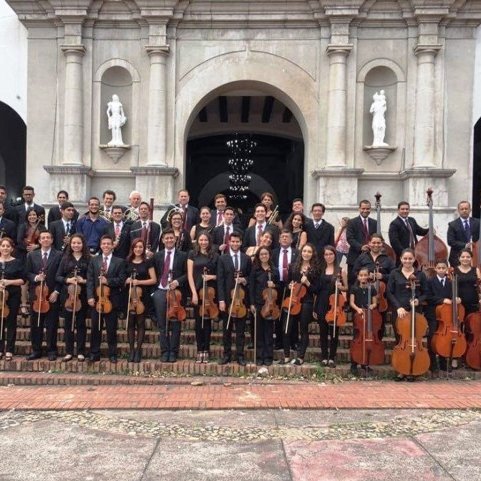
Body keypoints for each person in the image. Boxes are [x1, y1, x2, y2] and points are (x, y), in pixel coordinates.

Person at [387, 248, 428, 380]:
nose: (407, 261)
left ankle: (414, 368)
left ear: (414, 259)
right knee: (400, 340)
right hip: (400, 312)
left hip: (415, 312)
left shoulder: (420, 275)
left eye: (410, 258)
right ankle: (401, 369)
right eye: (405, 258)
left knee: (415, 339)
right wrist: (398, 307)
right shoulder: (394, 273)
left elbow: (426, 293)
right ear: (401, 259)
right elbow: (389, 292)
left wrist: (418, 300)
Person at [87, 235, 127, 362]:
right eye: (103, 243)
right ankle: (94, 353)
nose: (106, 246)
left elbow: (121, 280)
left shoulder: (119, 261)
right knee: (95, 328)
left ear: (112, 245)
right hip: (97, 300)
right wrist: (90, 297)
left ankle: (112, 354)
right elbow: (90, 281)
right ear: (100, 245)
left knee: (111, 328)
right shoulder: (94, 261)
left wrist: (107, 281)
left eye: (108, 244)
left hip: (112, 301)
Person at [25, 231, 62, 361]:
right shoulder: (31, 255)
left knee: (52, 324)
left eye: (48, 238)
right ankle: (36, 350)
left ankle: (52, 350)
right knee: (36, 324)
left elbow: (61, 274)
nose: (45, 240)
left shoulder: (59, 255)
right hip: (37, 295)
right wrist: (36, 277)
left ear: (52, 240)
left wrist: (56, 291)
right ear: (39, 241)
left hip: (52, 295)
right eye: (43, 238)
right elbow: (27, 273)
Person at [152, 229, 188, 363]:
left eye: (171, 238)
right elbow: (154, 274)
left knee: (176, 323)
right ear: (162, 240)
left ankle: (173, 352)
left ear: (175, 239)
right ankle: (164, 351)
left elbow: (187, 274)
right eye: (166, 238)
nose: (169, 240)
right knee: (162, 324)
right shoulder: (157, 256)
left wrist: (178, 281)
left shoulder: (183, 255)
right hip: (161, 291)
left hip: (176, 292)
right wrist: (154, 292)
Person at [282, 243, 320, 365]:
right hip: (293, 300)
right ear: (301, 252)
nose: (306, 253)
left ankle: (300, 357)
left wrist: (307, 282)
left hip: (306, 302)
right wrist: (289, 286)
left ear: (312, 254)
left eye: (309, 251)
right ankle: (286, 355)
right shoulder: (293, 266)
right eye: (304, 251)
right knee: (287, 328)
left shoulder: (315, 270)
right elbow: (288, 284)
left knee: (303, 329)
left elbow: (316, 290)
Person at [217, 232, 251, 366]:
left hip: (241, 300)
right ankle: (226, 355)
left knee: (241, 331)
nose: (235, 244)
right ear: (229, 242)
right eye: (233, 241)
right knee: (227, 329)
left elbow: (250, 277)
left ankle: (240, 356)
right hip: (227, 299)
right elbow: (220, 280)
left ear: (241, 242)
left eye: (238, 241)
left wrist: (244, 280)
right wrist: (221, 300)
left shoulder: (246, 258)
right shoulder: (223, 259)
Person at [55, 233, 90, 362]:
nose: (76, 245)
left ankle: (80, 352)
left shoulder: (88, 259)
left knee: (81, 324)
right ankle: (69, 351)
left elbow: (92, 277)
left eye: (79, 243)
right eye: (74, 243)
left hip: (82, 295)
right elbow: (57, 276)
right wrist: (68, 279)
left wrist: (84, 280)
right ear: (70, 244)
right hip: (68, 295)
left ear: (83, 244)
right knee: (68, 324)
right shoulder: (65, 258)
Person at [313, 245, 347, 367]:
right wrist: (315, 307)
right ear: (324, 256)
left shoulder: (341, 270)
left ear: (335, 255)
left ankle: (331, 357)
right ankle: (324, 357)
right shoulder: (320, 270)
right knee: (323, 331)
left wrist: (340, 286)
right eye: (326, 254)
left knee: (334, 331)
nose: (328, 256)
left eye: (331, 254)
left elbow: (346, 288)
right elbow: (316, 290)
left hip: (335, 303)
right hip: (322, 302)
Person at [187, 232, 219, 363]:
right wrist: (193, 293)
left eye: (205, 240)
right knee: (198, 322)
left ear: (209, 241)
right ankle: (200, 349)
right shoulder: (192, 254)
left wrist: (212, 277)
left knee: (207, 323)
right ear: (197, 241)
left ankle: (206, 350)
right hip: (197, 292)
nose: (203, 242)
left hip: (210, 293)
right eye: (201, 240)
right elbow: (190, 275)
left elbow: (219, 275)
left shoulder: (215, 256)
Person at [125, 238, 157, 363]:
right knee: (130, 324)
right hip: (129, 297)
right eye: (136, 247)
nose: (138, 249)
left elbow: (153, 280)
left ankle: (138, 351)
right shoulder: (127, 261)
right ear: (132, 248)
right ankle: (131, 350)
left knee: (140, 323)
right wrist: (127, 280)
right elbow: (123, 277)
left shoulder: (147, 262)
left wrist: (138, 282)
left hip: (142, 297)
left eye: (140, 247)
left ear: (143, 249)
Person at [425, 259, 456, 375]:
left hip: (446, 316)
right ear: (436, 269)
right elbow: (428, 297)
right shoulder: (430, 281)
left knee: (445, 340)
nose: (442, 270)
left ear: (447, 269)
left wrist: (455, 299)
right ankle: (432, 365)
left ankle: (444, 364)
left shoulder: (450, 282)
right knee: (432, 338)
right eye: (439, 268)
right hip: (433, 314)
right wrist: (442, 300)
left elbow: (454, 296)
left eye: (444, 268)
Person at [249, 246, 279, 366]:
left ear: (269, 255)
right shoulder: (255, 270)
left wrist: (274, 285)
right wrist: (251, 303)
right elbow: (251, 287)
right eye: (261, 254)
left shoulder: (274, 270)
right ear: (258, 256)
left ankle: (268, 356)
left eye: (266, 254)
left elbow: (280, 287)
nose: (264, 256)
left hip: (270, 306)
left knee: (269, 331)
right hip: (258, 304)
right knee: (259, 331)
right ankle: (259, 356)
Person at [272, 229, 299, 351]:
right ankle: (279, 341)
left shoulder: (297, 253)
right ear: (279, 239)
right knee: (278, 314)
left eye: (287, 237)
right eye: (282, 236)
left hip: (292, 287)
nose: (284, 239)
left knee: (292, 313)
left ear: (291, 240)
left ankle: (293, 341)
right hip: (277, 286)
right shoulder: (273, 253)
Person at [455, 248, 481, 369]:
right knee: (459, 331)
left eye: (468, 257)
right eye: (463, 257)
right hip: (459, 306)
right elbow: (450, 287)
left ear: (471, 258)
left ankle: (470, 357)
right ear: (459, 258)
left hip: (473, 304)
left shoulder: (476, 270)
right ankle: (457, 356)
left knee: (471, 332)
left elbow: (480, 285)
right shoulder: (454, 271)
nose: (465, 259)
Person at [349, 267, 378, 375]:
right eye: (361, 275)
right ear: (358, 277)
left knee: (367, 338)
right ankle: (354, 363)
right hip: (358, 315)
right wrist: (358, 309)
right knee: (357, 338)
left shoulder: (372, 288)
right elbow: (351, 302)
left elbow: (375, 302)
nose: (363, 277)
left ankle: (365, 362)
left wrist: (372, 305)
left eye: (365, 275)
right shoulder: (354, 288)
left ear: (368, 276)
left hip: (369, 315)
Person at [0, 237, 25, 361]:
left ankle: (9, 349)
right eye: (3, 246)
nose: (5, 248)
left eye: (8, 246)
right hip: (0, 296)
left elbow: (22, 280)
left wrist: (8, 282)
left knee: (11, 322)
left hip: (13, 295)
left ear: (12, 248)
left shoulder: (17, 262)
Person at [346, 200, 377, 285]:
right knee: (352, 283)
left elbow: (376, 237)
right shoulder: (352, 222)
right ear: (359, 209)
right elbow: (349, 238)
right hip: (354, 257)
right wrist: (361, 247)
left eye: (367, 208)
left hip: (369, 259)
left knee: (368, 283)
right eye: (363, 208)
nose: (365, 210)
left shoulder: (374, 223)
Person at [447, 201, 480, 266]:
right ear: (458, 210)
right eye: (462, 209)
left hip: (474, 258)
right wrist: (465, 245)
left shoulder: (478, 222)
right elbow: (450, 241)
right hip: (457, 259)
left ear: (470, 210)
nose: (464, 210)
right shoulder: (452, 225)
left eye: (466, 208)